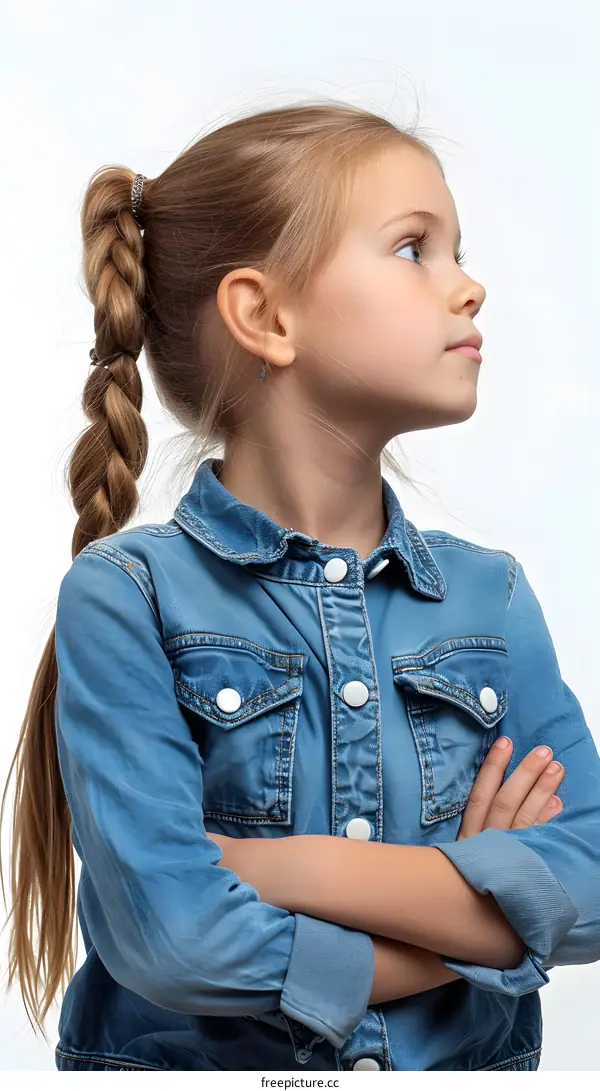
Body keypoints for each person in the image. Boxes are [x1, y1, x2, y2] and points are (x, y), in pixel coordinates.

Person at [1, 101, 599, 1074]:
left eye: (458, 250)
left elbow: (595, 873)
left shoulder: (491, 600)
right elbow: (176, 935)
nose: (470, 287)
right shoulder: (125, 597)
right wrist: (487, 924)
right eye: (416, 249)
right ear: (267, 316)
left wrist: (285, 867)